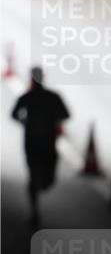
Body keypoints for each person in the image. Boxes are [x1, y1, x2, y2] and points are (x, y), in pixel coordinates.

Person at [11, 66, 70, 225]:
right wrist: (53, 120)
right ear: (43, 77)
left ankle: (35, 207)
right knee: (47, 172)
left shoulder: (27, 97)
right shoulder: (52, 97)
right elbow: (66, 114)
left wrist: (25, 122)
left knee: (33, 175)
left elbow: (14, 114)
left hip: (32, 142)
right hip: (47, 142)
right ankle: (38, 199)